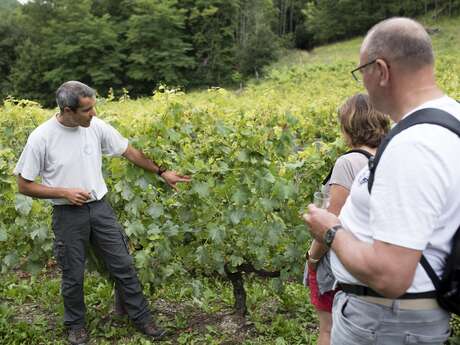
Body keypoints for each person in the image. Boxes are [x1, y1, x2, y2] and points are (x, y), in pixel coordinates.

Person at [303, 17, 460, 345]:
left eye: (361, 73)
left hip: (384, 323)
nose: (363, 85)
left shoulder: (412, 145)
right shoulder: (452, 120)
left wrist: (330, 231)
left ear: (381, 71)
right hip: (405, 318)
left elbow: (390, 276)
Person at [14, 81, 191, 345]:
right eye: (87, 110)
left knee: (124, 266)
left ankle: (141, 318)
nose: (94, 114)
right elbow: (23, 184)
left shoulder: (95, 127)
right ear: (67, 110)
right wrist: (64, 193)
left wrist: (162, 172)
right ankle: (76, 326)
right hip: (67, 215)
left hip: (100, 209)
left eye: (94, 107)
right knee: (73, 275)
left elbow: (128, 151)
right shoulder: (42, 137)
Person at [305, 93, 389, 345]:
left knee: (328, 329)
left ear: (348, 125)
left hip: (343, 260)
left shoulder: (348, 162)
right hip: (377, 260)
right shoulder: (389, 156)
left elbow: (332, 222)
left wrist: (312, 259)